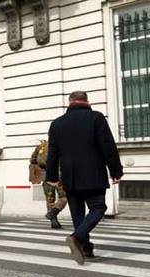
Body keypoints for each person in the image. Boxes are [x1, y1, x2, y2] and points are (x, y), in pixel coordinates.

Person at [46, 91, 123, 265]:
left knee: (78, 215)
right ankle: (76, 237)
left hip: (70, 177)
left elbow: (53, 153)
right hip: (93, 174)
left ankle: (86, 248)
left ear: (70, 102)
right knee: (98, 208)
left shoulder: (57, 124)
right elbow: (108, 146)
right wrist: (116, 171)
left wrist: (51, 176)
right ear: (86, 101)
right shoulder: (96, 118)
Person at [29, 140, 67, 229]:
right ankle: (53, 213)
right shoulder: (62, 144)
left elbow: (33, 160)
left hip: (46, 177)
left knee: (50, 200)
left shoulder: (41, 146)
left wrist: (40, 172)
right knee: (64, 197)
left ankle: (53, 219)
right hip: (60, 177)